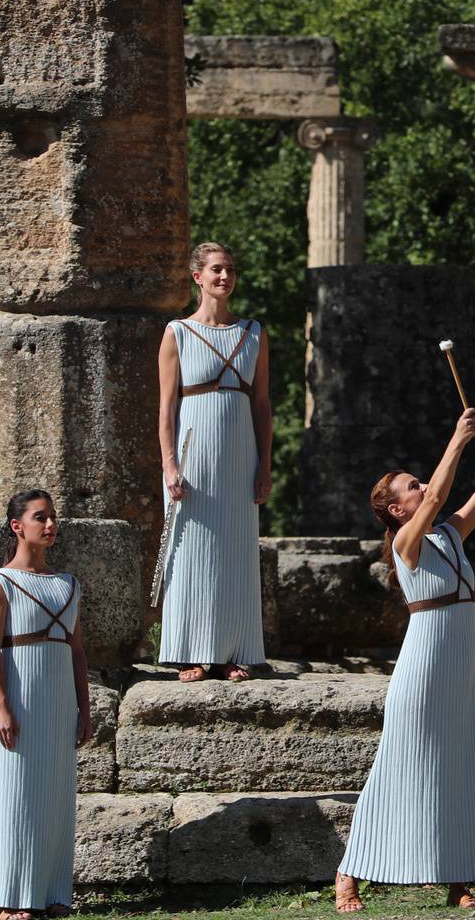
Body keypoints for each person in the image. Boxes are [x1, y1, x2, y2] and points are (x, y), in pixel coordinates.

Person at [333, 402, 475, 913]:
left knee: (460, 764)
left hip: (462, 663)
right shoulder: (406, 544)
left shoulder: (449, 534)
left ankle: (458, 880)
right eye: (410, 487)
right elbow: (439, 494)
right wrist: (457, 439)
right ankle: (350, 870)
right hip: (423, 665)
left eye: (419, 483)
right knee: (399, 762)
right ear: (397, 510)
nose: (421, 489)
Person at [155, 242, 271, 681]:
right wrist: (169, 464)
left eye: (230, 270)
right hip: (192, 451)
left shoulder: (254, 333)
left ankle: (231, 651)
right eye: (216, 270)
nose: (225, 277)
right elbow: (166, 407)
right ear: (197, 277)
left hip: (239, 453)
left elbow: (262, 405)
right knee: (191, 550)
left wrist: (265, 465)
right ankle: (191, 652)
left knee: (235, 548)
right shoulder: (177, 333)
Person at [0, 490, 94, 920]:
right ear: (17, 526)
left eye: (53, 518)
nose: (50, 525)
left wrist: (84, 708)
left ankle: (50, 893)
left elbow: (77, 652)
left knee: (56, 797)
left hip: (58, 704)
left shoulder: (69, 584)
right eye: (39, 517)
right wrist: (2, 706)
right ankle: (11, 901)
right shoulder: (0, 583)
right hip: (18, 704)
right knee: (15, 797)